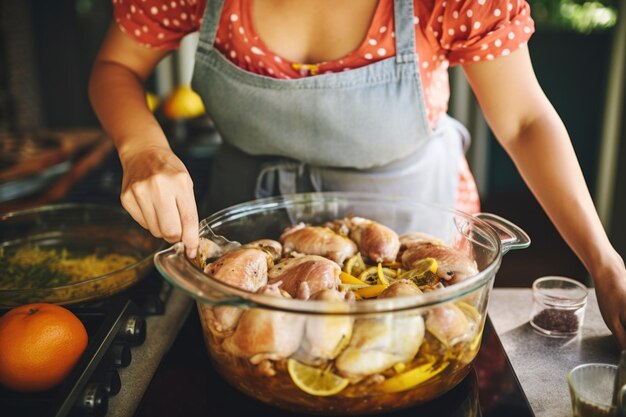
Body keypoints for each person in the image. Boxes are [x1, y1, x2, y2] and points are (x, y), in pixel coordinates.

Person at [89, 0, 626, 348]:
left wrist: (603, 262)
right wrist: (142, 148)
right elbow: (117, 65)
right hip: (249, 238)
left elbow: (525, 121)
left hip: (412, 233)